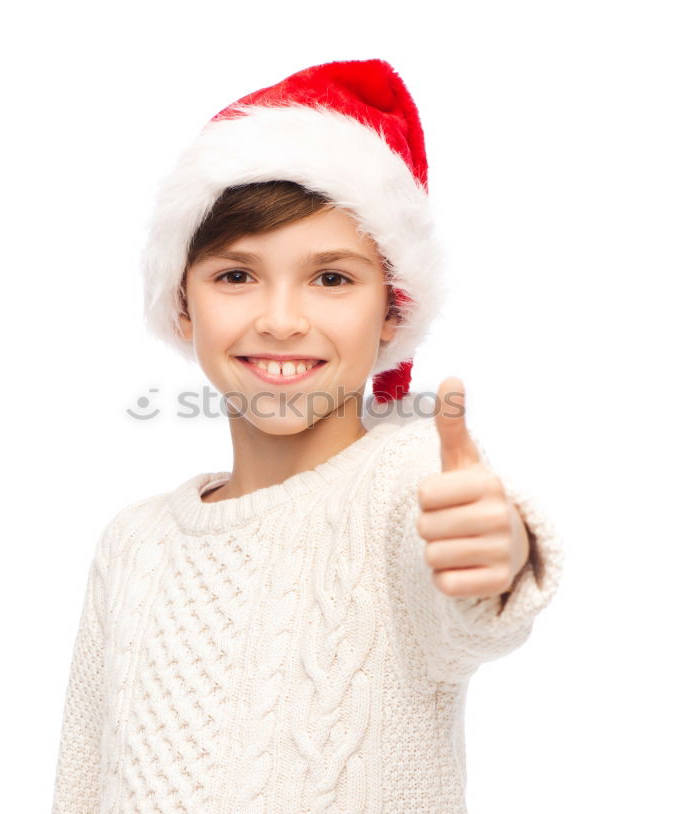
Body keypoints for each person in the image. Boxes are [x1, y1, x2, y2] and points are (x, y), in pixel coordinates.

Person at [50, 58, 564, 814]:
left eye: (331, 278)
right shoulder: (133, 543)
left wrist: (498, 557)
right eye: (236, 276)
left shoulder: (405, 486)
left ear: (393, 311)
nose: (282, 319)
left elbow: (467, 607)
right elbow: (81, 784)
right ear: (181, 306)